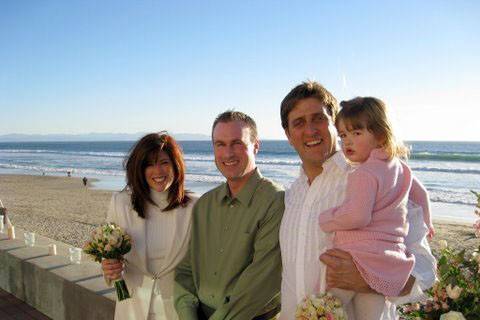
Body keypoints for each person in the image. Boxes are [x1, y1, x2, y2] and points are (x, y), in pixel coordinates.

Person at [278, 81, 437, 319]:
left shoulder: (375, 178)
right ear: (289, 136)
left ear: (335, 124)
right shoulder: (291, 195)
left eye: (318, 119)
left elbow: (425, 271)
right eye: (299, 123)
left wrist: (369, 278)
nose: (310, 130)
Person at [315, 97, 432, 319]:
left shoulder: (364, 173)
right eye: (343, 136)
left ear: (380, 134)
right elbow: (421, 194)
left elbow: (358, 216)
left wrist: (326, 219)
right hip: (387, 259)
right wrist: (428, 222)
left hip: (359, 252)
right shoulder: (400, 167)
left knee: (325, 309)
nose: (346, 142)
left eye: (356, 133)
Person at [174, 111, 284, 320]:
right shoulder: (204, 204)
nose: (228, 154)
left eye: (237, 143)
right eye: (220, 144)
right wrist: (187, 314)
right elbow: (186, 270)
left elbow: (261, 282)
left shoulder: (275, 201)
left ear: (256, 146)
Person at [101, 132, 196, 320]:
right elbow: (108, 250)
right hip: (132, 308)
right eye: (149, 164)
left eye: (164, 162)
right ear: (139, 169)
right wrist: (108, 266)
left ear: (176, 165)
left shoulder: (195, 207)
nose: (158, 171)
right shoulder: (120, 203)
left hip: (178, 310)